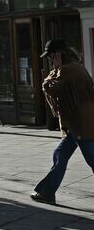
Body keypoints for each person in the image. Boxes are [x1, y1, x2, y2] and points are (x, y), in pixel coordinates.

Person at [31, 39, 94, 205]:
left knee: (92, 159)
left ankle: (46, 192)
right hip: (78, 123)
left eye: (51, 57)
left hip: (80, 124)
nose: (50, 60)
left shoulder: (66, 70)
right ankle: (46, 193)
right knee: (60, 155)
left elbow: (49, 88)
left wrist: (55, 70)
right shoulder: (76, 66)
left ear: (57, 54)